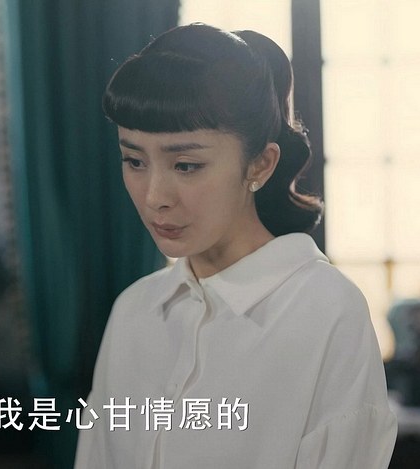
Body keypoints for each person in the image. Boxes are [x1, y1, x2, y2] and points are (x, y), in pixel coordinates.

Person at [74, 23, 397, 468]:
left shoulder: (325, 310)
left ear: (260, 164)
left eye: (186, 165)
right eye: (134, 160)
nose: (154, 196)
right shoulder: (134, 311)